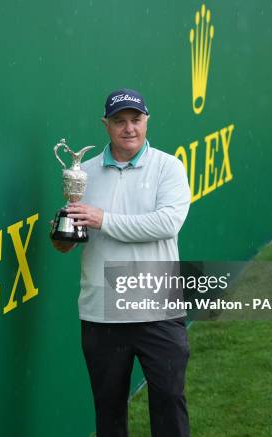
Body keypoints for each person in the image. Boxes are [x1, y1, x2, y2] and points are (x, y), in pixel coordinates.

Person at [50, 88, 192, 437]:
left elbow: (165, 224)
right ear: (106, 125)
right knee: (109, 410)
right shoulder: (84, 173)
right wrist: (63, 231)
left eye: (135, 120)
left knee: (169, 403)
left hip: (157, 306)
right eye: (119, 121)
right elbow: (65, 247)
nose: (129, 128)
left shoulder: (168, 167)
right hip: (102, 311)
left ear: (147, 121)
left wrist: (102, 219)